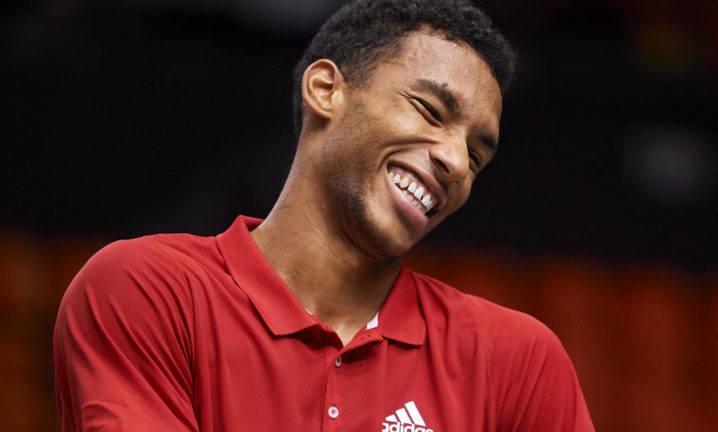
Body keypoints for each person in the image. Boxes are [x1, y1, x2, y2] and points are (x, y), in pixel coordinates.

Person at [54, 0, 595, 431]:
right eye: (430, 110)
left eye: (477, 155)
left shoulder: (517, 360)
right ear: (326, 90)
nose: (455, 162)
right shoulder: (148, 289)